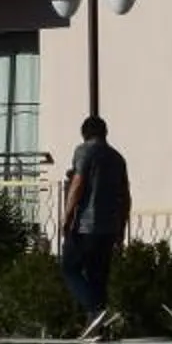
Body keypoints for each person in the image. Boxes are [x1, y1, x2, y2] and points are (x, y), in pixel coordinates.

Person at [58, 116, 131, 320]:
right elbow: (125, 196)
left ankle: (95, 310)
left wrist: (67, 216)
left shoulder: (84, 151)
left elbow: (78, 184)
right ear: (105, 133)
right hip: (109, 228)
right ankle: (98, 326)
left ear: (84, 134)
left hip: (85, 226)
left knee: (69, 268)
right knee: (98, 277)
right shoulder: (117, 158)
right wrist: (121, 227)